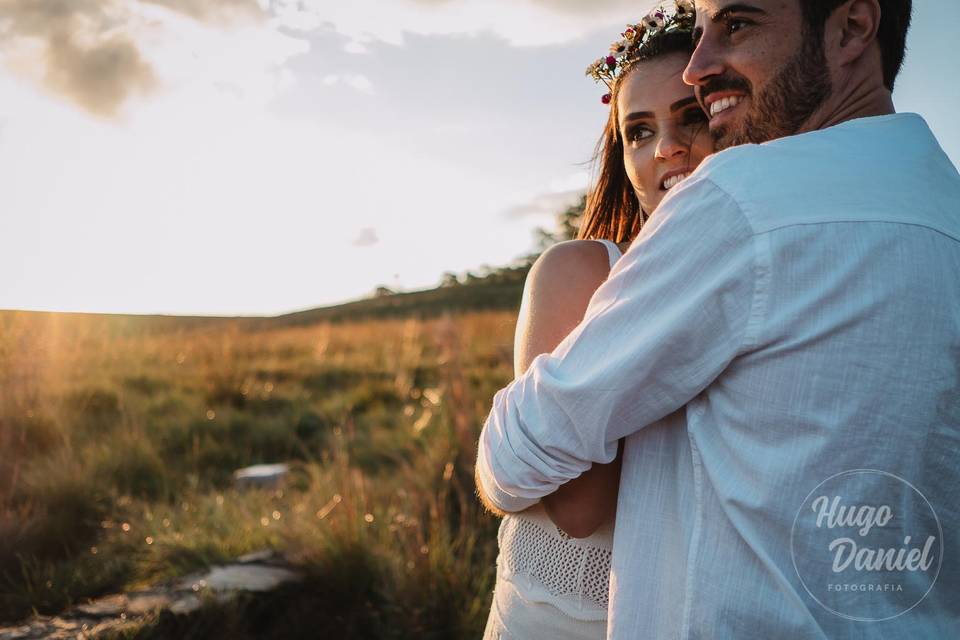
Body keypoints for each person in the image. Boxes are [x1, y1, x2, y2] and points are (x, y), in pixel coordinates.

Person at [477, 0, 960, 638]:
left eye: (736, 24)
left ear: (852, 26)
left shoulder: (744, 199)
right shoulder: (944, 211)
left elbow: (524, 454)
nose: (699, 69)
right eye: (637, 132)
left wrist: (499, 451)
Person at [481, 5, 711, 638]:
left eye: (692, 116)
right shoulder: (581, 271)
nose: (666, 146)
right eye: (638, 130)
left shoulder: (757, 277)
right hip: (559, 617)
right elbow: (579, 509)